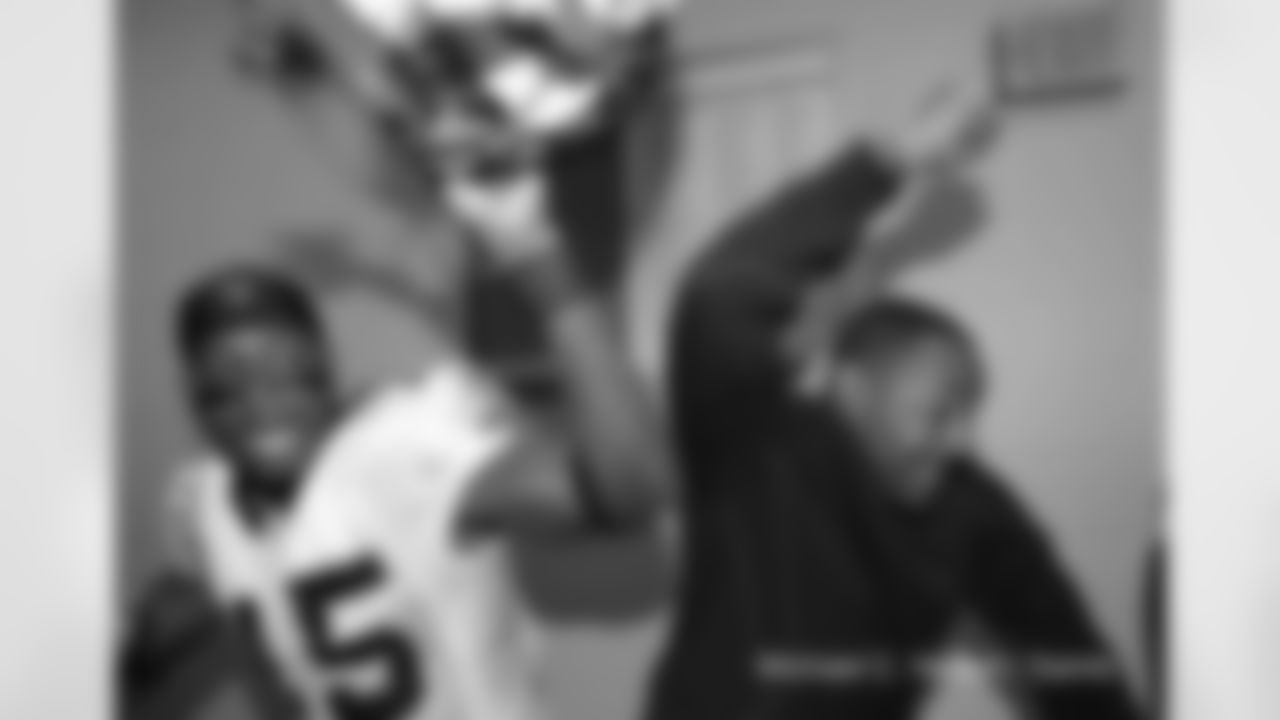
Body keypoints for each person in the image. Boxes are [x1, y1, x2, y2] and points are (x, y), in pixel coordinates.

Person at [644, 86, 1148, 720]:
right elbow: (719, 294)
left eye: (971, 415)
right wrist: (895, 159)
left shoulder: (969, 508)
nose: (963, 441)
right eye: (940, 412)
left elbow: (1069, 653)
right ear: (852, 389)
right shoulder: (760, 447)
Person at [120, 149, 675, 720]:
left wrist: (542, 263)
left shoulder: (397, 454)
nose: (263, 405)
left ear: (325, 370)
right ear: (195, 397)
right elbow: (221, 586)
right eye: (228, 386)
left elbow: (631, 489)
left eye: (288, 376)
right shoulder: (199, 499)